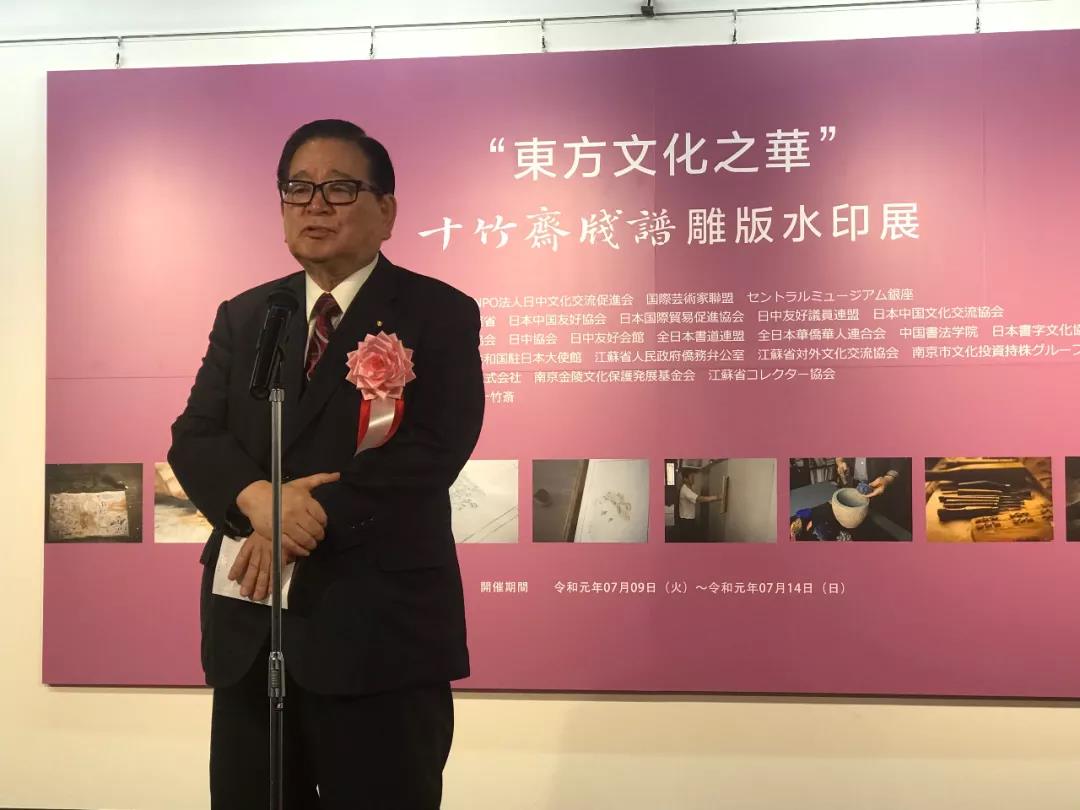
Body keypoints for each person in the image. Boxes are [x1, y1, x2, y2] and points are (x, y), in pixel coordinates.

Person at [168, 119, 484, 809]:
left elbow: (434, 447)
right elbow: (194, 436)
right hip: (254, 628)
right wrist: (256, 499)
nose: (316, 205)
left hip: (378, 632)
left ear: (387, 210)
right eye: (298, 189)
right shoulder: (250, 314)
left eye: (340, 188)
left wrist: (299, 520)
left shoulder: (438, 313)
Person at [675, 468, 721, 541]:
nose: (693, 479)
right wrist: (717, 497)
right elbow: (699, 499)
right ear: (685, 479)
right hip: (686, 521)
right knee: (687, 540)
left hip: (687, 520)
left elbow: (697, 498)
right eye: (691, 477)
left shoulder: (688, 488)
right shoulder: (685, 490)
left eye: (693, 477)